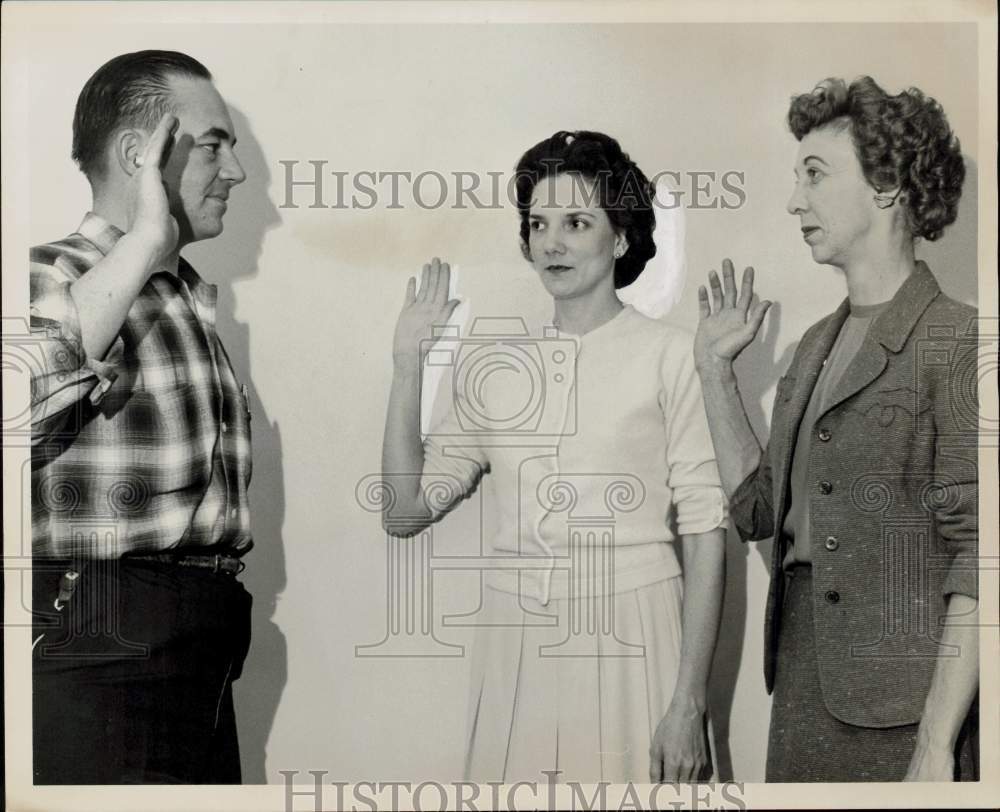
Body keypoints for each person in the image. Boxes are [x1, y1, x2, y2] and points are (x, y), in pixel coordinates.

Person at [381, 131, 727, 783]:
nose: (553, 242)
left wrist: (688, 701)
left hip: (636, 632)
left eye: (577, 222)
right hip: (516, 641)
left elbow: (707, 532)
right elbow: (402, 512)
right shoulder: (495, 366)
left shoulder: (672, 354)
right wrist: (407, 367)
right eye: (539, 224)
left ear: (621, 237)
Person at [694, 76, 978, 781]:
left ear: (886, 186)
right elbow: (758, 512)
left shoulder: (961, 342)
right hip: (801, 690)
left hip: (909, 712)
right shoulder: (814, 347)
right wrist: (714, 376)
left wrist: (937, 746)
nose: (795, 200)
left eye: (815, 176)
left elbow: (983, 558)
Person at [30, 50, 253, 784]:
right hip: (105, 644)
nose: (236, 173)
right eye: (214, 145)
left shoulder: (186, 297)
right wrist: (144, 245)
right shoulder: (46, 275)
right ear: (141, 155)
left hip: (200, 651)